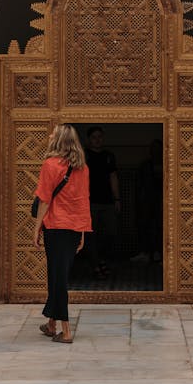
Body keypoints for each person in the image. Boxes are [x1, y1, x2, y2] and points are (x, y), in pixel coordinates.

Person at [33, 123, 91, 344]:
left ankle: (66, 331)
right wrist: (83, 231)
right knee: (57, 275)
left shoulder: (50, 165)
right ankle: (51, 324)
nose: (49, 135)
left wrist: (37, 227)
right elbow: (83, 201)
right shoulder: (83, 168)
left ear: (59, 140)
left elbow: (45, 200)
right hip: (74, 228)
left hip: (56, 228)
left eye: (53, 134)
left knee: (58, 279)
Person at [84, 125, 121, 278]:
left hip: (107, 202)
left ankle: (102, 260)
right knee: (92, 235)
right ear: (89, 139)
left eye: (100, 137)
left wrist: (117, 198)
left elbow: (113, 177)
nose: (97, 140)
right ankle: (96, 265)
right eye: (94, 137)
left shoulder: (109, 155)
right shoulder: (83, 156)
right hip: (90, 202)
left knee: (111, 233)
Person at [131, 138, 163, 263]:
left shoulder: (168, 165)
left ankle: (158, 253)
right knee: (145, 226)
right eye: (153, 149)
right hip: (146, 201)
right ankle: (145, 252)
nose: (155, 151)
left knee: (160, 227)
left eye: (158, 149)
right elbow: (139, 185)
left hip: (161, 202)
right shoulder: (145, 166)